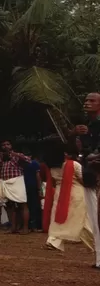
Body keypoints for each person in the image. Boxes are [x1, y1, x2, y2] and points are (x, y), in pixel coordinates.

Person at [39, 136, 90, 253]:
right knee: (82, 219)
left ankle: (53, 241)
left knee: (58, 218)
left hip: (59, 193)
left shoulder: (51, 167)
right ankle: (92, 242)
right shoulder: (73, 164)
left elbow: (51, 180)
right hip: (77, 193)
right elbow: (83, 179)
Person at [73, 92, 100, 270]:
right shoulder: (87, 126)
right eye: (86, 100)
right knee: (95, 218)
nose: (87, 103)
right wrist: (74, 134)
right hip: (92, 174)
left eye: (92, 100)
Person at [0, 140, 31, 235]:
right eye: (3, 145)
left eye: (7, 144)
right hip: (4, 182)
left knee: (22, 204)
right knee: (10, 206)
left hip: (17, 181)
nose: (5, 146)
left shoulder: (17, 155)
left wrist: (14, 154)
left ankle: (25, 228)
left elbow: (28, 160)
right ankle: (13, 228)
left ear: (11, 145)